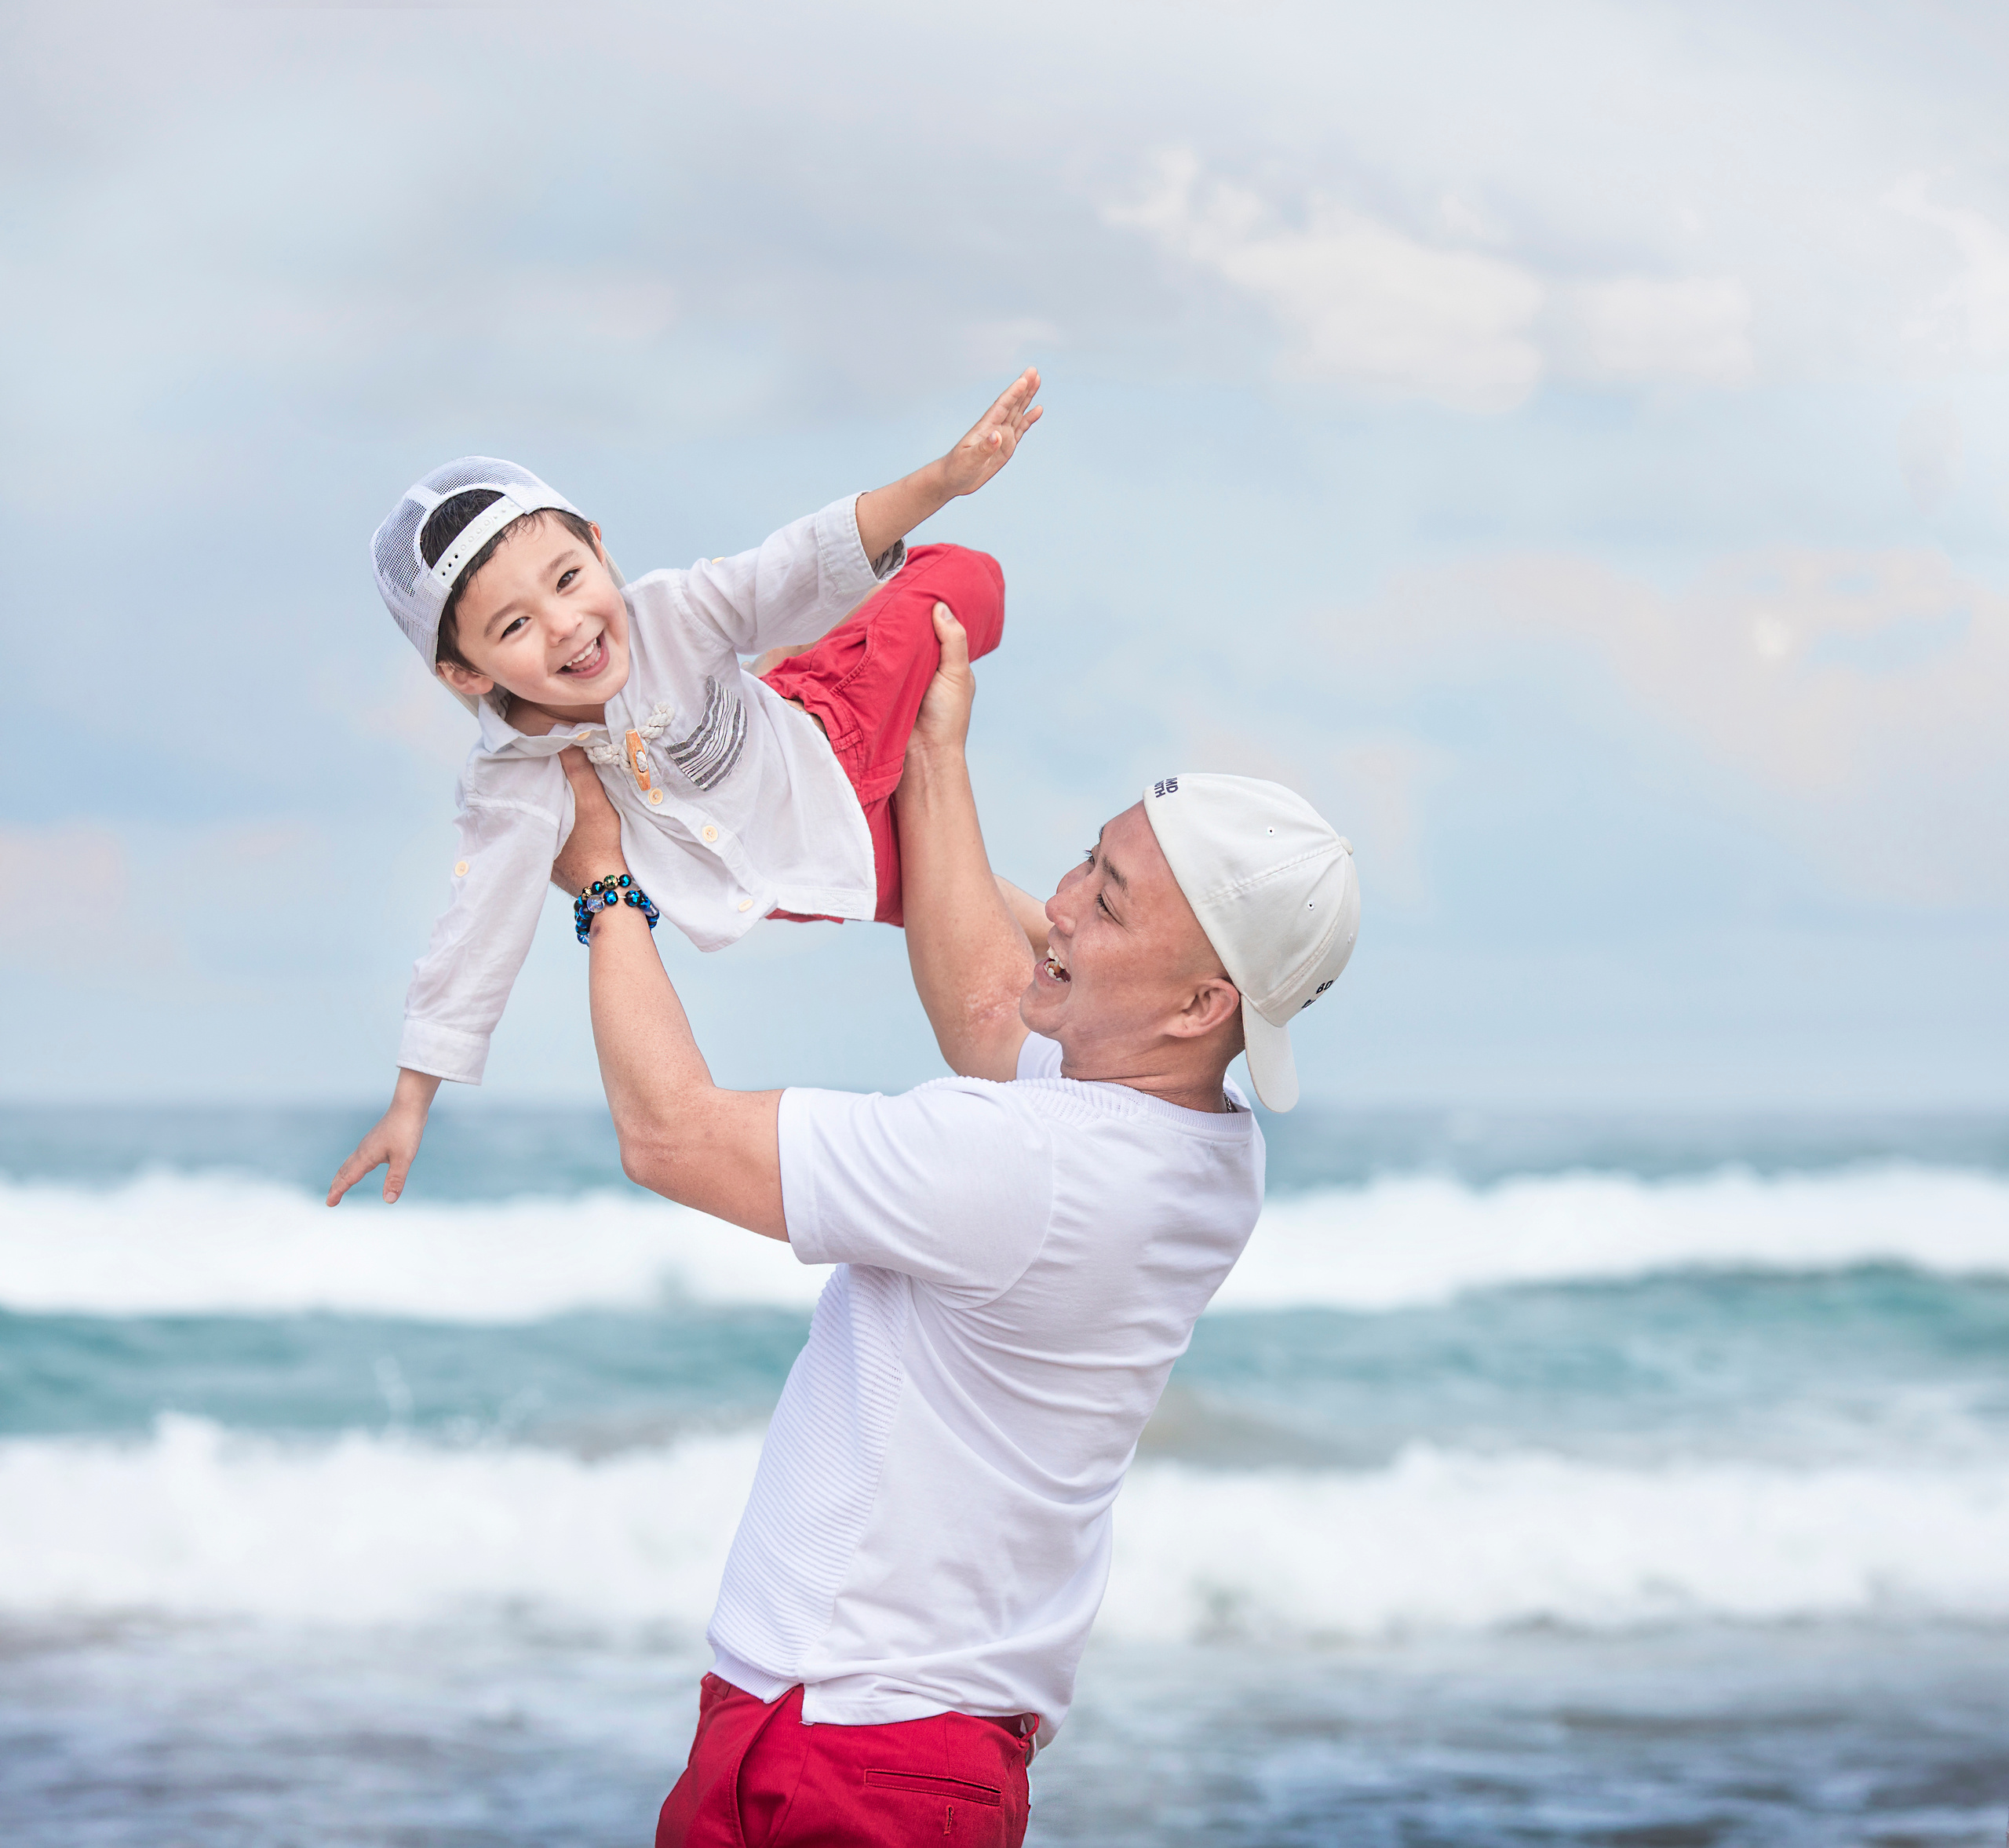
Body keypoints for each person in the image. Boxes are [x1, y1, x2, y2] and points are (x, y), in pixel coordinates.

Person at [549, 595, 1361, 1846]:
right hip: (841, 1724)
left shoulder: (1029, 1166)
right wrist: (930, 750)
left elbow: (672, 1133)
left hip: (864, 1754)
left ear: (1204, 1000)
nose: (1064, 898)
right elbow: (996, 996)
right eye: (1093, 855)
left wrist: (605, 876)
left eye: (1112, 901)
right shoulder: (1207, 1138)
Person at [327, 371, 1043, 1208]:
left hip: (829, 729)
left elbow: (792, 562)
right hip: (786, 872)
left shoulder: (673, 613)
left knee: (964, 574)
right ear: (465, 671)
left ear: (600, 546)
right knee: (945, 891)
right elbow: (474, 931)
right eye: (513, 626)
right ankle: (794, 667)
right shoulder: (516, 781)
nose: (565, 626)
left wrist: (942, 480)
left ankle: (791, 660)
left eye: (567, 579)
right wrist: (412, 1102)